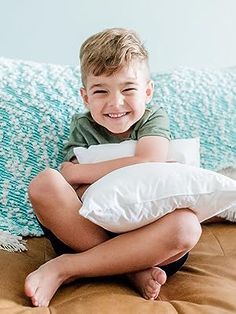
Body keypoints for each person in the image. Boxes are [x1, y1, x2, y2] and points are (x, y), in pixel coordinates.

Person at [24, 28, 202, 307]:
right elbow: (77, 193)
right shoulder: (83, 125)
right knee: (45, 183)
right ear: (86, 97)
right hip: (89, 234)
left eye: (128, 89)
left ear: (147, 91)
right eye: (101, 91)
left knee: (187, 227)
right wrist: (72, 179)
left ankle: (66, 267)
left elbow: (149, 160)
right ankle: (132, 270)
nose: (115, 103)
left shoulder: (154, 117)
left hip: (153, 244)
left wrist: (77, 171)